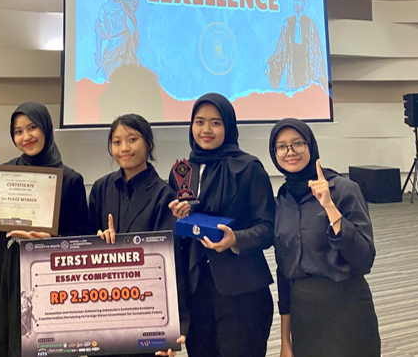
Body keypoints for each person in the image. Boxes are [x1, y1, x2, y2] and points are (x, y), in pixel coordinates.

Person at [0, 101, 91, 357]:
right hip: (4, 271)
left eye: (32, 127)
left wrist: (52, 239)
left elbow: (81, 238)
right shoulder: (2, 174)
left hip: (47, 275)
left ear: (46, 127)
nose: (26, 137)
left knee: (42, 343)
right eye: (18, 131)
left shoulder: (70, 179)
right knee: (1, 341)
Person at [169, 93, 275, 357]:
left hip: (241, 290)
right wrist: (177, 218)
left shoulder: (248, 167)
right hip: (196, 290)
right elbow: (179, 232)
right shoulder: (183, 170)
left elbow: (268, 227)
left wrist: (236, 239)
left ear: (228, 126)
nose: (206, 130)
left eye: (215, 123)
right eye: (199, 122)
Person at [269, 118, 380, 357]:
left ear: (311, 146)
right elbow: (284, 272)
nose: (290, 152)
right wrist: (285, 340)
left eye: (298, 143)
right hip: (304, 316)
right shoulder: (282, 200)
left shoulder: (343, 189)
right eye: (282, 146)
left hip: (346, 309)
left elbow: (365, 259)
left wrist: (330, 207)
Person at [89, 113, 185, 357]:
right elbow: (86, 243)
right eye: (117, 142)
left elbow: (169, 262)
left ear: (148, 144)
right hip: (104, 305)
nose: (124, 148)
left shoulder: (165, 194)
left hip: (146, 308)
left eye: (132, 139)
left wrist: (173, 326)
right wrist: (99, 242)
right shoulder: (100, 188)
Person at [265, 0, 327, 89]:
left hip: (306, 69)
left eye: (298, 0)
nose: (296, 3)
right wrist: (271, 63)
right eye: (294, 0)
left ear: (303, 2)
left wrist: (319, 79)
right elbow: (281, 49)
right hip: (293, 68)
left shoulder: (310, 24)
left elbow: (316, 53)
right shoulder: (287, 23)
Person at [94, 0, 145, 79]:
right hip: (114, 45)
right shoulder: (104, 9)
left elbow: (135, 0)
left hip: (126, 44)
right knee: (113, 75)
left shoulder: (123, 4)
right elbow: (99, 31)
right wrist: (98, 54)